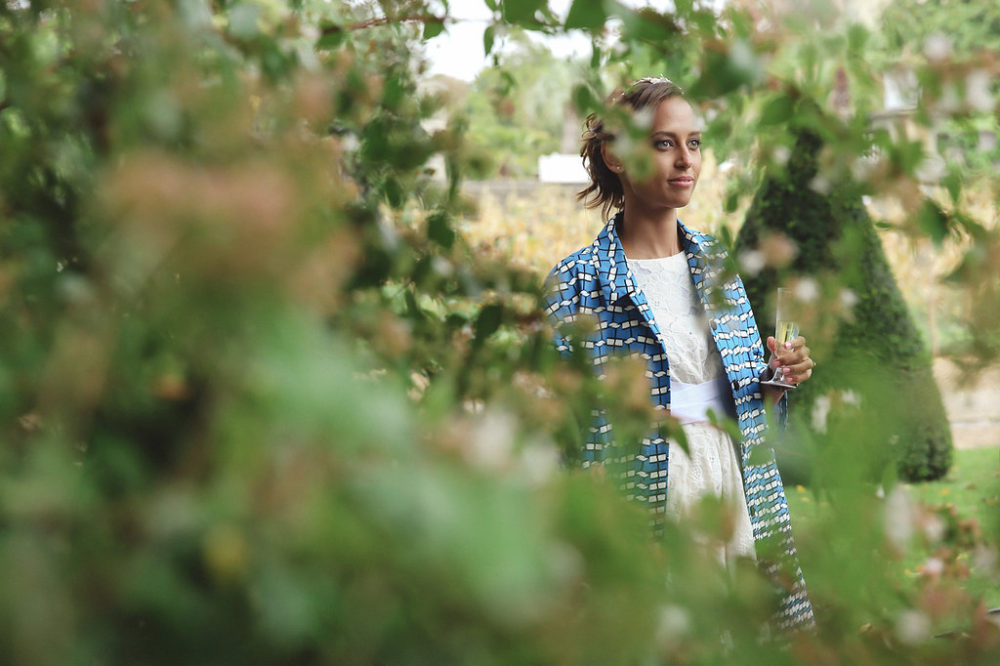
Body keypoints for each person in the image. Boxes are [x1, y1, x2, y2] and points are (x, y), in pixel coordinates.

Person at [543, 77, 816, 630]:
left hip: (737, 490)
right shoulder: (576, 283)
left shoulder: (716, 264)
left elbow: (746, 408)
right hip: (645, 502)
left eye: (694, 142)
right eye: (664, 143)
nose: (685, 160)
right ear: (616, 155)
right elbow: (554, 438)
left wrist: (776, 379)